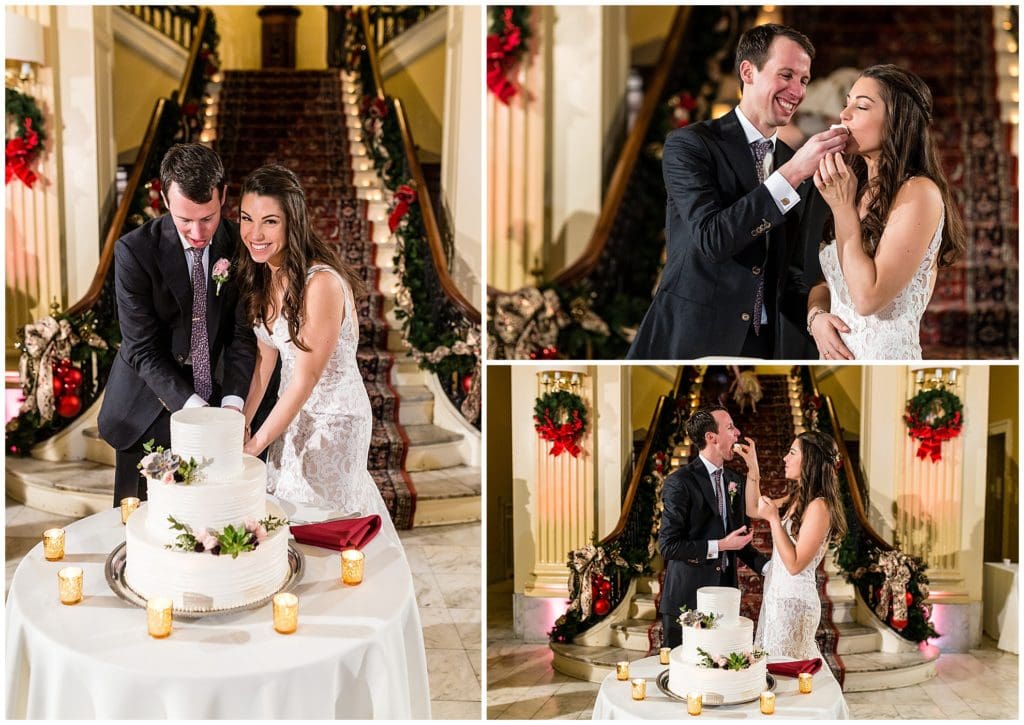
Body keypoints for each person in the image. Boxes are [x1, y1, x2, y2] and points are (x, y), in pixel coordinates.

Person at [628, 24, 848, 359]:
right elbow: (712, 239)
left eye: (803, 80)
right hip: (691, 341)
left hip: (766, 346)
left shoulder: (798, 164)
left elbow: (793, 273)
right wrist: (791, 175)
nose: (797, 90)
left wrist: (815, 317)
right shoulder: (691, 145)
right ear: (748, 71)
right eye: (786, 75)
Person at [235, 165, 395, 532]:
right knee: (288, 521)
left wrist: (254, 446)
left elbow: (305, 380)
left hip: (333, 419)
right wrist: (240, 425)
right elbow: (265, 359)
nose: (254, 234)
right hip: (292, 414)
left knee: (323, 528)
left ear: (294, 222)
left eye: (269, 222)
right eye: (247, 219)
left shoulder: (320, 283)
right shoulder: (266, 273)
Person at [98, 144, 256, 505]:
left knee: (213, 520)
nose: (198, 232)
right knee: (140, 529)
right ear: (165, 201)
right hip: (147, 410)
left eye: (208, 217)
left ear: (224, 196)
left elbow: (242, 334)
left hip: (217, 401)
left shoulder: (239, 245)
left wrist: (232, 407)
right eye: (185, 220)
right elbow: (141, 348)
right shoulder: (134, 251)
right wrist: (196, 414)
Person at [808, 64, 966, 360]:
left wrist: (843, 210)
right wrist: (816, 317)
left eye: (862, 106)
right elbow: (826, 280)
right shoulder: (855, 188)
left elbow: (868, 298)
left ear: (897, 120)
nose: (844, 115)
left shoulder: (920, 192)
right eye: (847, 103)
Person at [658, 406, 769, 648]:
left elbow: (740, 541)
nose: (738, 432)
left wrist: (769, 568)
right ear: (711, 437)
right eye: (730, 427)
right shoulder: (680, 483)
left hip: (725, 600)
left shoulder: (735, 481)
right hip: (687, 599)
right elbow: (668, 546)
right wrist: (720, 545)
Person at [736, 430, 848, 659]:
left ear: (810, 460)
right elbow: (754, 508)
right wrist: (753, 469)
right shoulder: (797, 497)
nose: (785, 458)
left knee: (787, 674)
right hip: (778, 598)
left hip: (794, 605)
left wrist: (774, 519)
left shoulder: (819, 507)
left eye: (792, 452)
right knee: (773, 669)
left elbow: (795, 564)